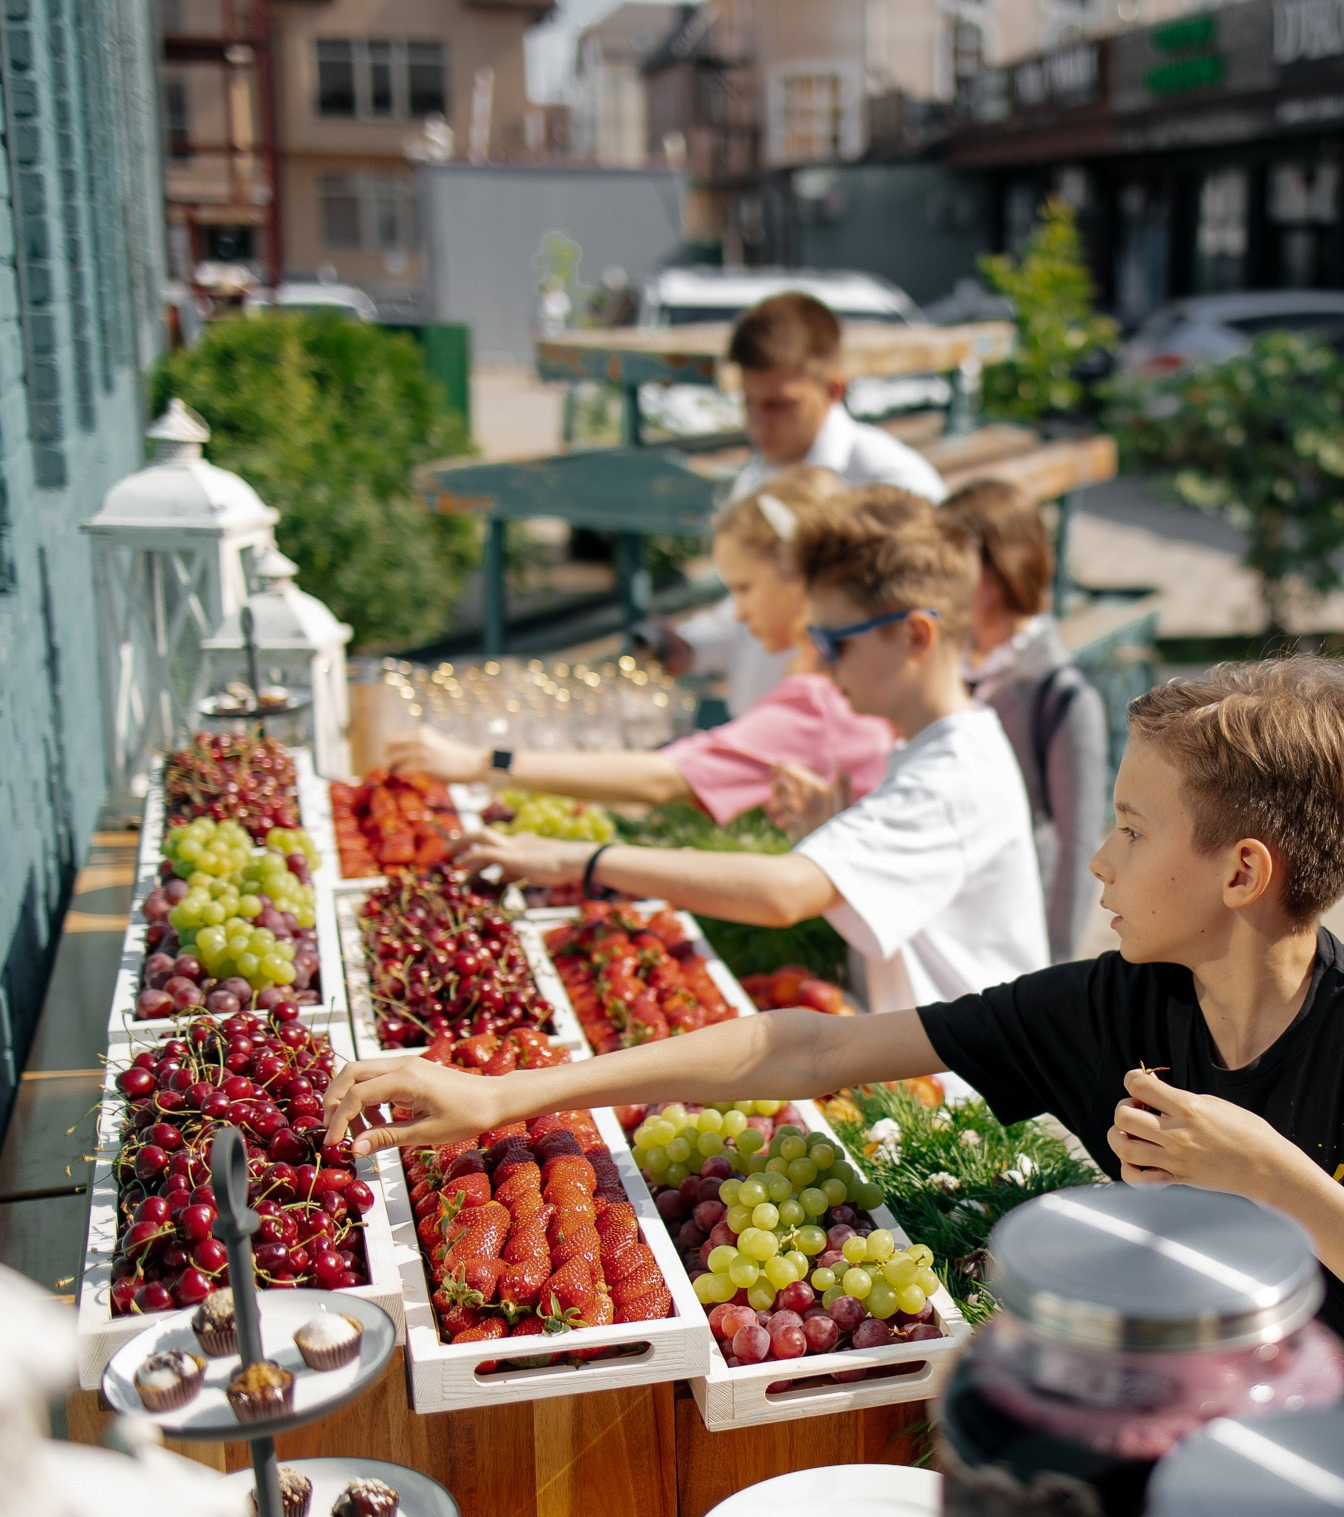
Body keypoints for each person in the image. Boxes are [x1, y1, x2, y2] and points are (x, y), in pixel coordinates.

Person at [330, 657, 1344, 1430]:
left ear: (1244, 870)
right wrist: (506, 1094)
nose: (1096, 862)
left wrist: (1270, 1176)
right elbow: (802, 1053)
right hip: (1228, 1462)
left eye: (1132, 831)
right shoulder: (1117, 1005)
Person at [457, 485, 1045, 1013]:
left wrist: (579, 859)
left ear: (916, 635)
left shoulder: (951, 774)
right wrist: (833, 834)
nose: (818, 659)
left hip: (970, 1102)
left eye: (832, 641)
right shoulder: (932, 748)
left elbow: (782, 893)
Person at [385, 469, 894, 823]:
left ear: (799, 581)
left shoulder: (822, 700)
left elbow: (665, 777)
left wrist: (483, 761)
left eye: (744, 589)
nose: (737, 612)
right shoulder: (839, 683)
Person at [672, 292, 949, 715]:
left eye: (780, 404)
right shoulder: (757, 476)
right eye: (749, 403)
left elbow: (925, 633)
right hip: (766, 734)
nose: (760, 423)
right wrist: (692, 645)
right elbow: (756, 603)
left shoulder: (894, 485)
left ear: (834, 388)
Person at [942, 480, 1109, 964]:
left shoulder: (1062, 696)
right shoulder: (946, 659)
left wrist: (1053, 967)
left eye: (956, 562)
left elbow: (1079, 844)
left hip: (1014, 930)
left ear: (1002, 566)